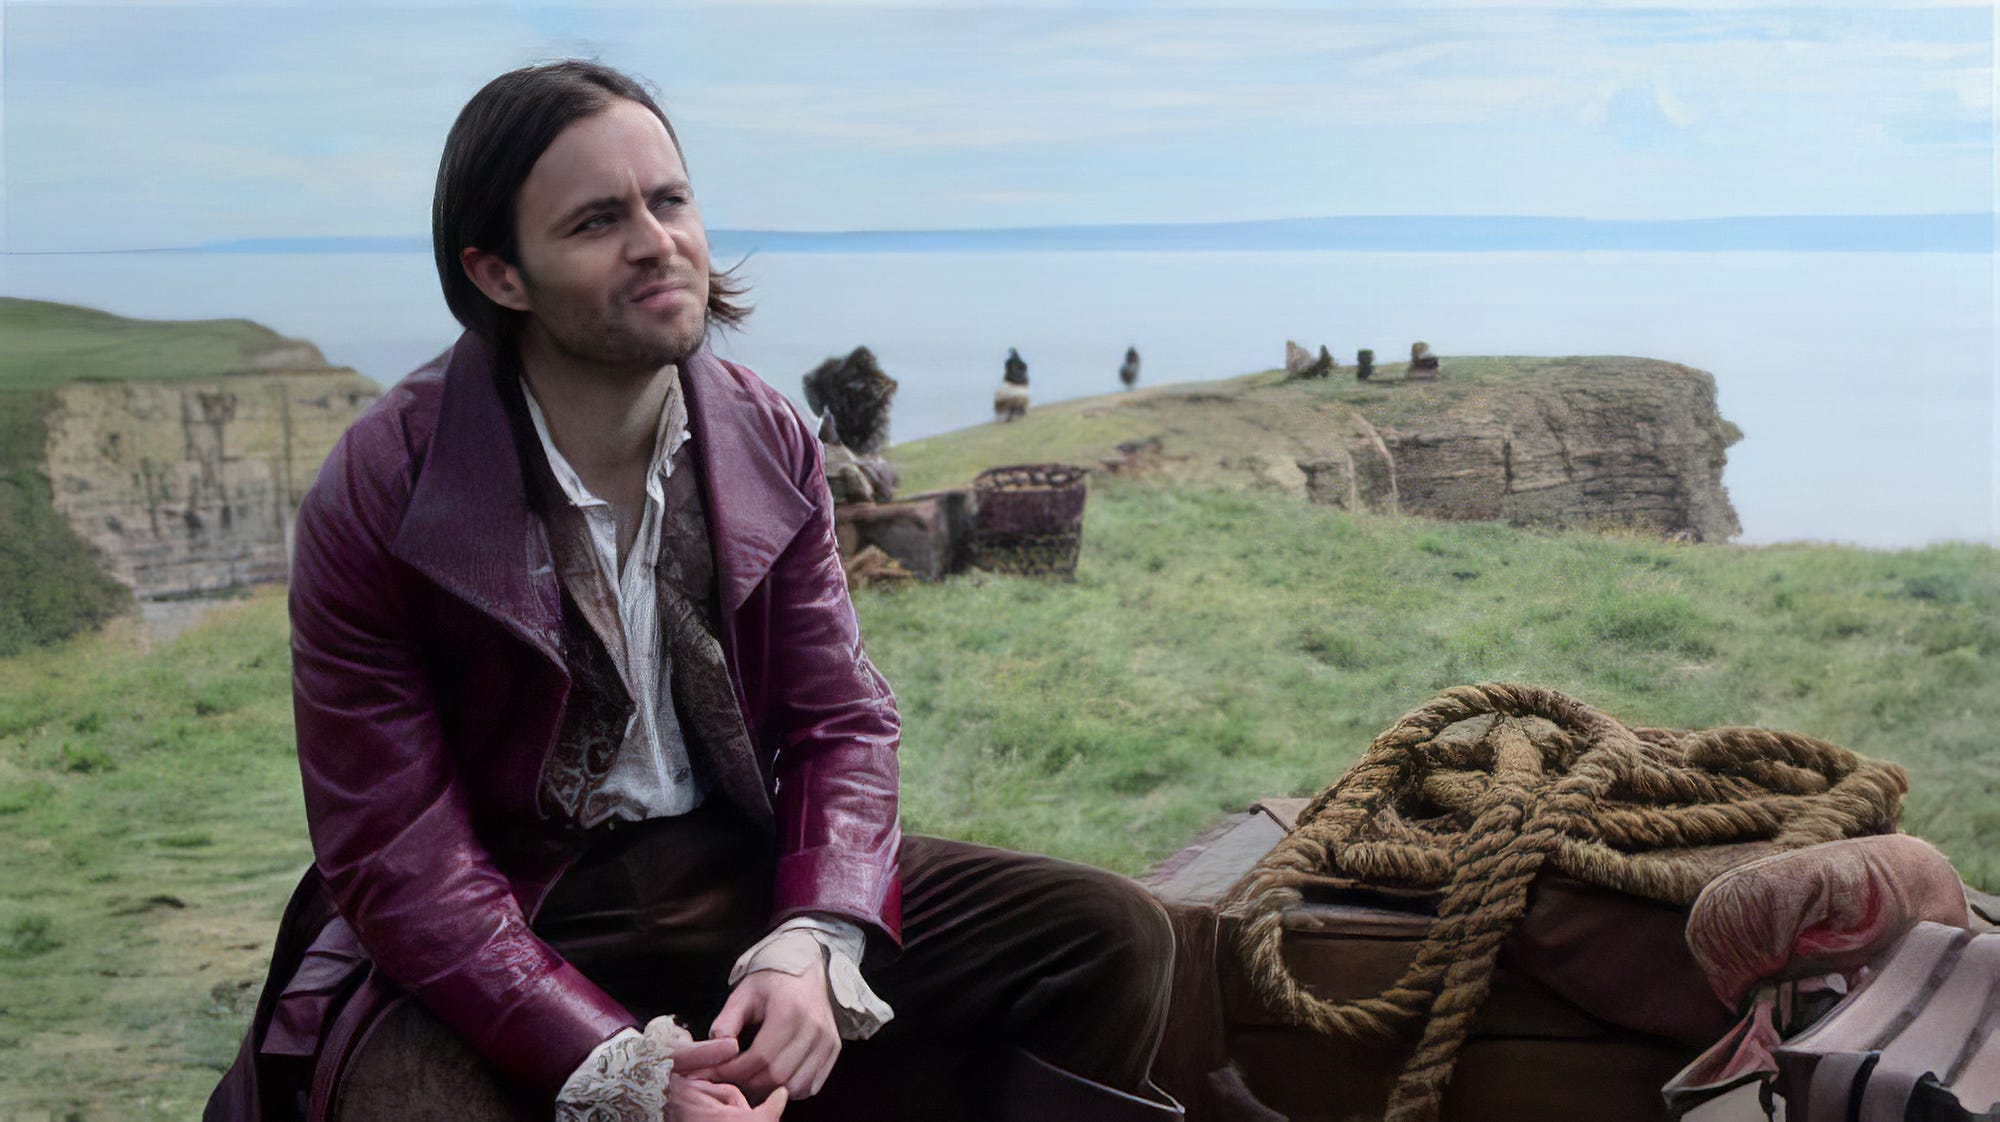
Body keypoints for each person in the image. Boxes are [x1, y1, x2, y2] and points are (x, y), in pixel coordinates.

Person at [205, 60, 1180, 1122]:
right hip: (507, 915)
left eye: (668, 201)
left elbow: (840, 720)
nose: (657, 241)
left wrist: (812, 937)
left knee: (1107, 937)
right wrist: (614, 1066)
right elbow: (395, 854)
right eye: (596, 221)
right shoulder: (381, 486)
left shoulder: (765, 432)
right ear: (499, 274)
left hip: (729, 869)